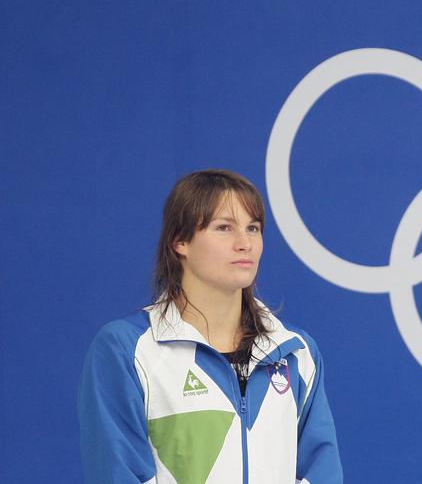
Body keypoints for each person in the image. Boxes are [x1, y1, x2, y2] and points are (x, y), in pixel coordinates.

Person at [79, 169, 343, 484]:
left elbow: (321, 473)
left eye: (253, 228)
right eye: (224, 228)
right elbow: (118, 474)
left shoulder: (296, 352)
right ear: (180, 241)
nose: (244, 243)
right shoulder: (128, 351)